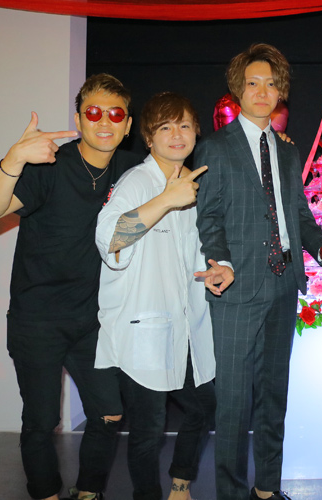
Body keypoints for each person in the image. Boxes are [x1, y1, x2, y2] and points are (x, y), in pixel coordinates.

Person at [193, 43, 322, 500]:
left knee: (273, 397)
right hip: (235, 289)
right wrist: (221, 260)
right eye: (253, 83)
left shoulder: (288, 152)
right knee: (233, 405)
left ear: (281, 93)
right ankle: (231, 494)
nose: (262, 91)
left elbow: (301, 218)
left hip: (282, 285)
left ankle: (267, 489)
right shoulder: (214, 147)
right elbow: (208, 217)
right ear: (238, 90)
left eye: (271, 84)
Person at [0, 74, 139, 500]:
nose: (104, 121)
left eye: (115, 114)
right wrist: (14, 158)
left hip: (94, 320)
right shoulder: (47, 165)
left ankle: (88, 491)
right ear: (79, 119)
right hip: (37, 319)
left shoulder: (132, 171)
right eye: (94, 112)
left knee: (108, 413)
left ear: (127, 125)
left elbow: (180, 155)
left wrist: (273, 139)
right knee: (41, 421)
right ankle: (46, 493)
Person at [95, 92, 228, 500]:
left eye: (184, 125)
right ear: (148, 138)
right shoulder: (137, 182)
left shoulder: (197, 183)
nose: (177, 134)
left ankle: (181, 484)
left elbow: (203, 246)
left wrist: (216, 268)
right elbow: (110, 239)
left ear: (196, 133)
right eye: (165, 127)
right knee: (148, 429)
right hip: (144, 327)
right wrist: (166, 199)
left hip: (185, 324)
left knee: (204, 406)